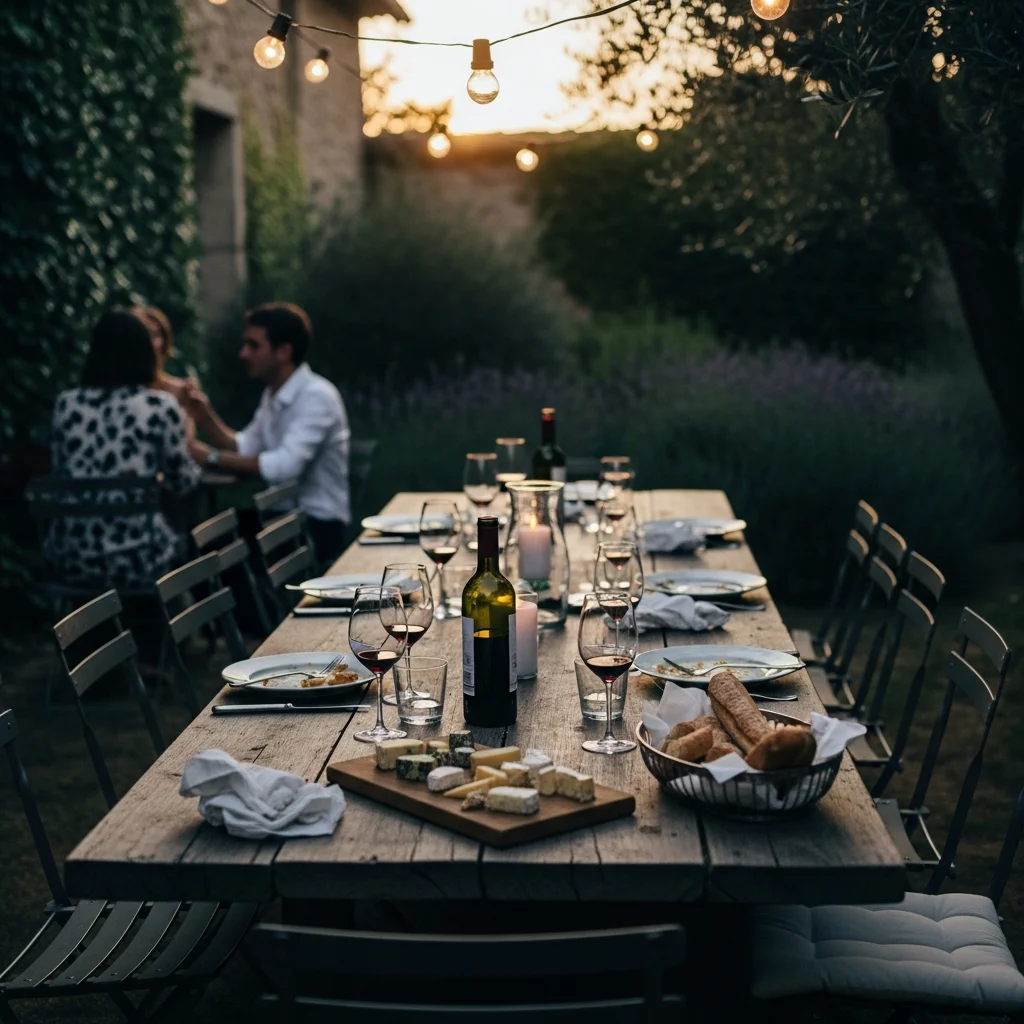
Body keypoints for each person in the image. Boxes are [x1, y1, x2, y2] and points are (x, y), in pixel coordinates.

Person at [182, 303, 351, 566]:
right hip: (285, 518)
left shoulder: (317, 396)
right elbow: (245, 446)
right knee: (207, 539)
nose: (243, 354)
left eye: (253, 345)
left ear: (284, 351)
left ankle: (252, 607)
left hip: (317, 525)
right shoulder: (274, 393)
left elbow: (284, 467)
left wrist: (208, 456)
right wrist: (203, 415)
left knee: (214, 549)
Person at [47, 307, 201, 587]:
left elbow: (62, 472)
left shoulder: (66, 405)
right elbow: (183, 483)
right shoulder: (158, 406)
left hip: (72, 558)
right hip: (140, 560)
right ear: (144, 354)